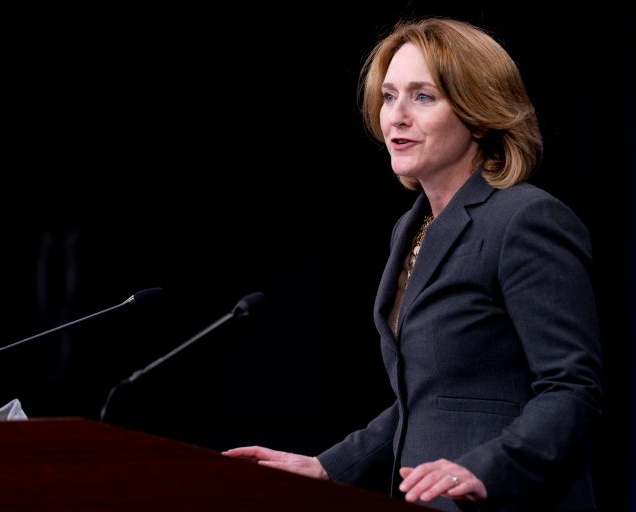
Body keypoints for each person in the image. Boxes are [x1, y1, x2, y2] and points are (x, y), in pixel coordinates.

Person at [223, 16, 603, 512]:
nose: (396, 117)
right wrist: (328, 466)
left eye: (422, 97)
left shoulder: (525, 219)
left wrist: (485, 468)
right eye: (388, 96)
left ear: (479, 113)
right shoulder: (412, 227)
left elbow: (573, 389)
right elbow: (426, 398)